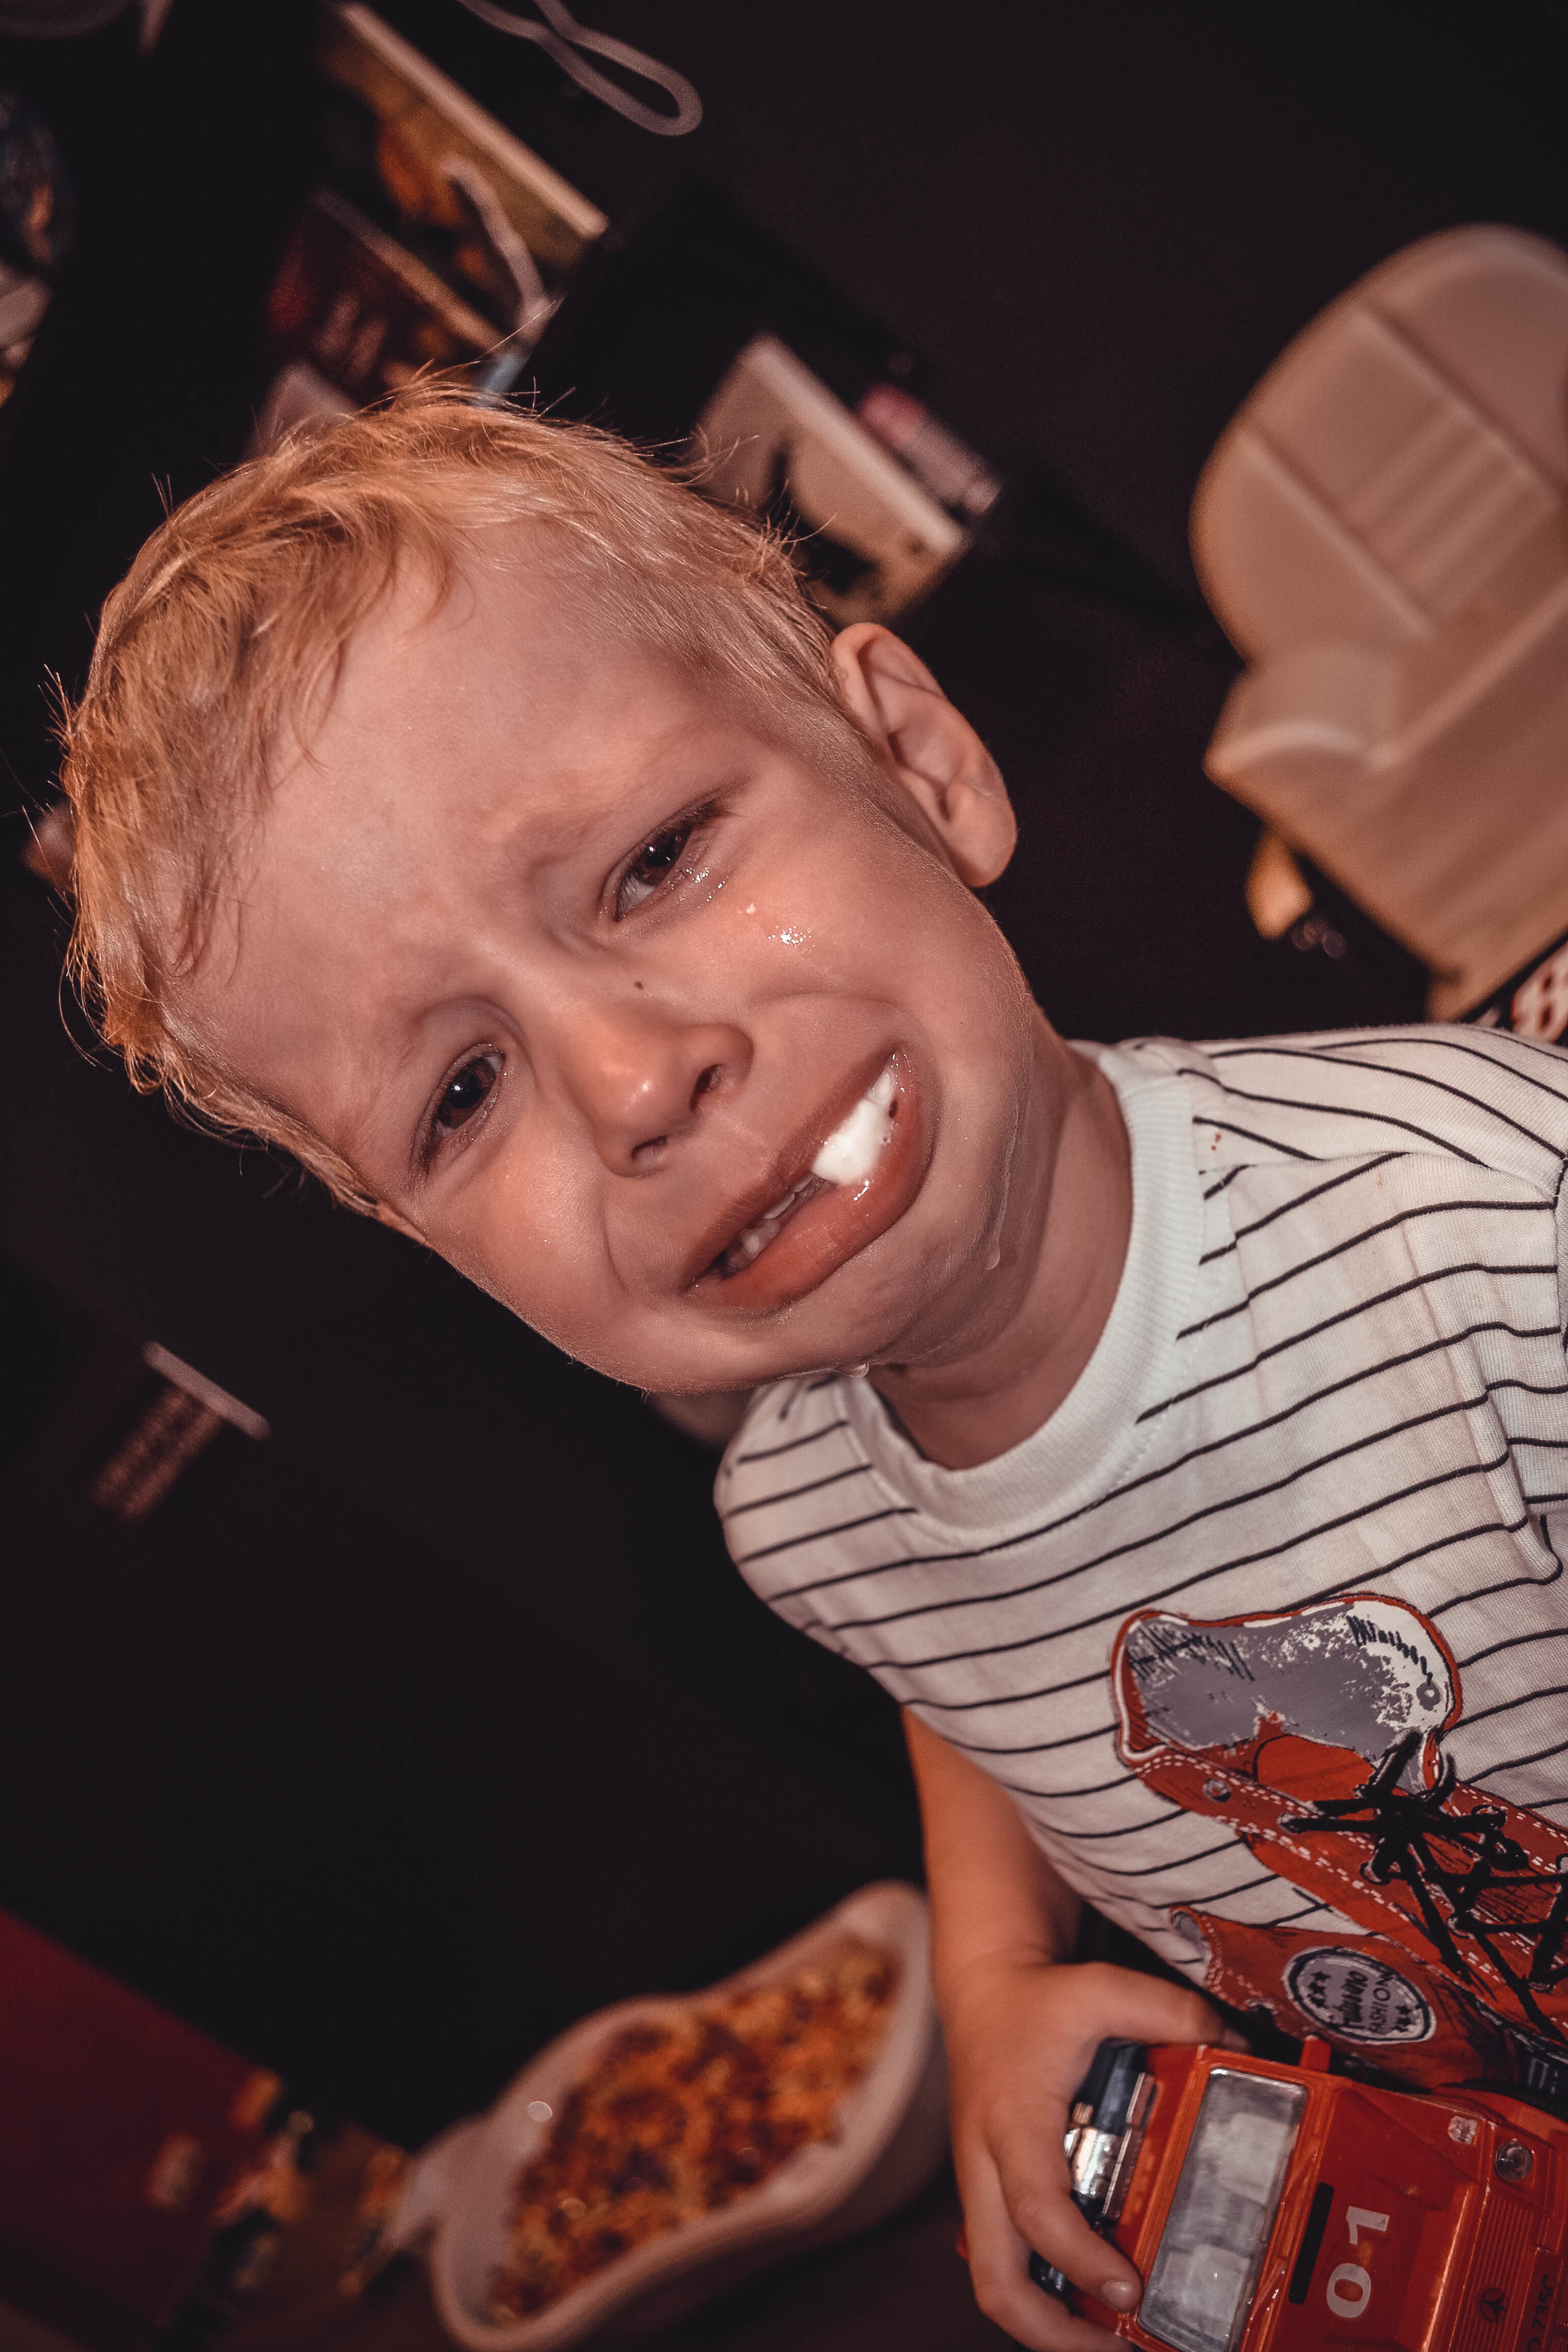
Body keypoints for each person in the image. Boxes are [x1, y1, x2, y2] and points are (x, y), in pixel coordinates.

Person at [62, 386, 1568, 2350]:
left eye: (655, 859)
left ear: (917, 759)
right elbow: (980, 1646)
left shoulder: (1484, 1225)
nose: (630, 1077)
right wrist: (1000, 1976)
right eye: (459, 1091)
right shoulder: (803, 1513)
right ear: (424, 1246)